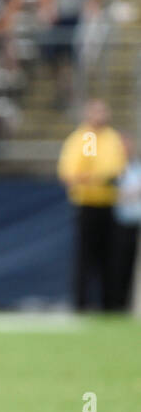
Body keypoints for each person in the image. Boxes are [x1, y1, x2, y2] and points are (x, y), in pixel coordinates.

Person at [56, 100, 127, 311]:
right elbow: (83, 169)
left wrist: (110, 177)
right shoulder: (89, 138)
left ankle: (110, 305)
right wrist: (99, 178)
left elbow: (118, 167)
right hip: (89, 203)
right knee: (87, 258)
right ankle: (82, 304)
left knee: (111, 258)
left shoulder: (112, 137)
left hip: (110, 203)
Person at [110, 139, 140, 313]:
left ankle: (129, 306)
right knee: (118, 265)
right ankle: (116, 304)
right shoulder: (115, 169)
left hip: (136, 222)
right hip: (119, 222)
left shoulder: (137, 168)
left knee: (131, 268)